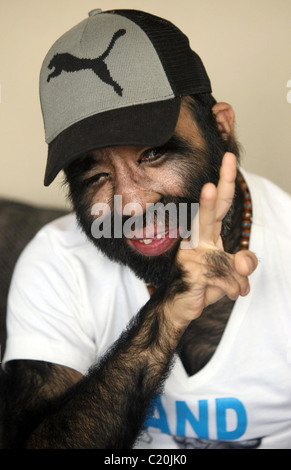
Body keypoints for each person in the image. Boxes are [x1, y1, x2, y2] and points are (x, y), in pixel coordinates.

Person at [2, 9, 291, 450]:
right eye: (95, 174)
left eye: (154, 153)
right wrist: (167, 314)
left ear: (222, 129)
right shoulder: (56, 260)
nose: (131, 203)